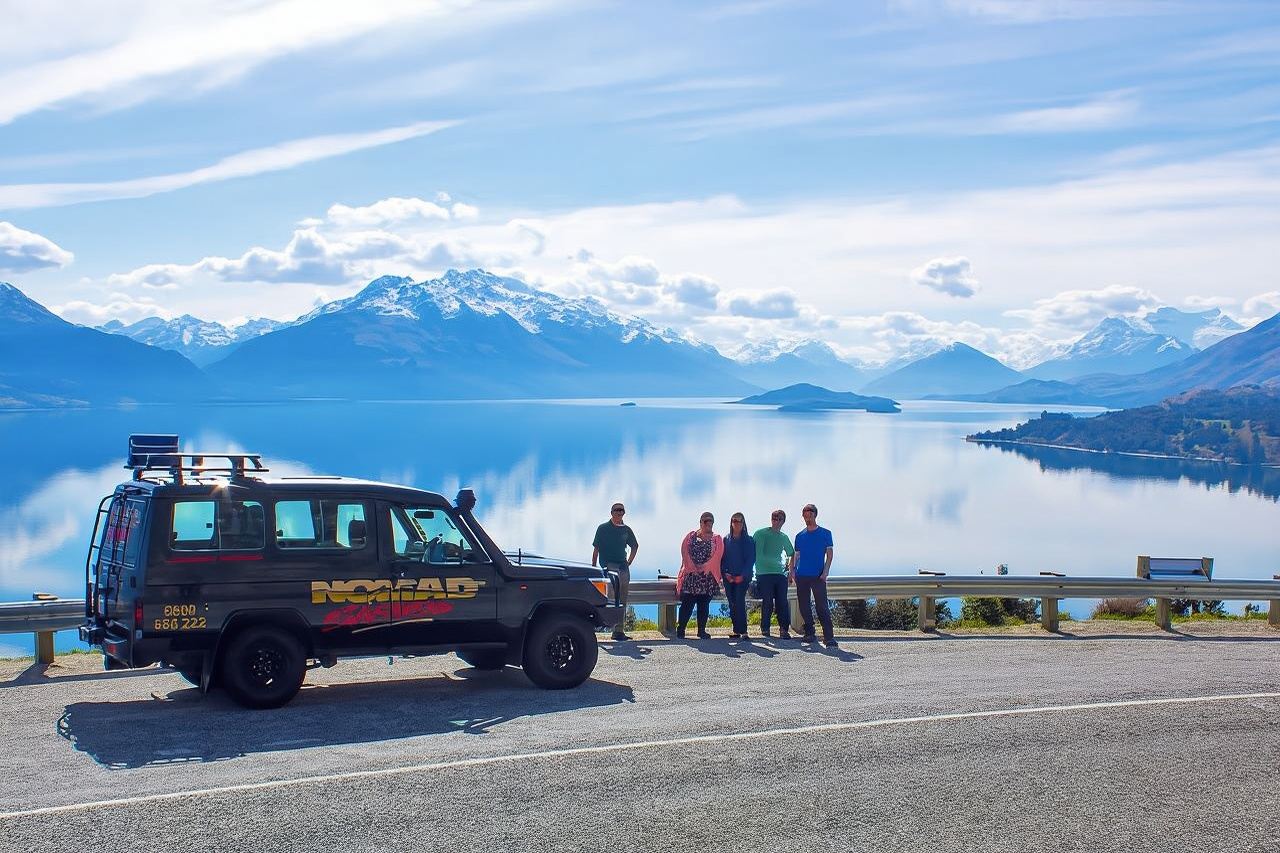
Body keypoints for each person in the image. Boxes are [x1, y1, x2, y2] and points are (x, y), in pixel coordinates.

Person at [592, 501, 638, 641]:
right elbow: (596, 550)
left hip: (622, 564)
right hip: (608, 564)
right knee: (611, 593)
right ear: (611, 513)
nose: (619, 512)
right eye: (616, 510)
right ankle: (600, 625)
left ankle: (618, 631)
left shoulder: (626, 530)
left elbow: (635, 546)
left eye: (621, 510)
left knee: (622, 595)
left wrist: (629, 562)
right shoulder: (603, 528)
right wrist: (593, 567)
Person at [791, 502, 836, 648]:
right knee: (804, 606)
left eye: (809, 514)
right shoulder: (800, 536)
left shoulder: (825, 533)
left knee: (822, 606)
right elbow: (796, 555)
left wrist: (826, 571)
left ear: (815, 515)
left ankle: (829, 637)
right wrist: (792, 571)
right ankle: (809, 633)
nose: (807, 517)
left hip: (818, 576)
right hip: (802, 575)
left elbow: (829, 555)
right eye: (804, 515)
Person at [676, 511, 723, 639]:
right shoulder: (690, 536)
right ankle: (681, 629)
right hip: (691, 576)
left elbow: (718, 555)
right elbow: (684, 551)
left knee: (703, 605)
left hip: (707, 578)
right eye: (705, 521)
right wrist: (692, 566)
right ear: (701, 522)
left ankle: (701, 630)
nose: (708, 523)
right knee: (687, 604)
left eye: (711, 521)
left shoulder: (717, 538)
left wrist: (706, 567)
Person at [753, 509, 795, 640]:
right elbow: (754, 553)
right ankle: (765, 628)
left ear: (783, 521)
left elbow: (791, 553)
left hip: (780, 574)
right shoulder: (760, 534)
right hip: (764, 574)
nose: (775, 521)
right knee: (768, 601)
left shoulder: (783, 537)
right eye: (774, 518)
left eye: (779, 519)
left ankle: (784, 630)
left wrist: (790, 571)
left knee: (782, 602)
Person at [721, 511, 755, 640]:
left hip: (743, 578)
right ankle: (736, 630)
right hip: (729, 577)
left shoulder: (749, 540)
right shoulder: (726, 539)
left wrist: (743, 575)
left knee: (739, 601)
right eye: (734, 520)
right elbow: (722, 559)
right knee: (732, 603)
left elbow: (751, 559)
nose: (737, 523)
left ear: (743, 523)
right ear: (731, 522)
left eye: (740, 521)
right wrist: (726, 573)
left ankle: (744, 631)